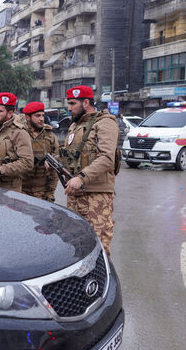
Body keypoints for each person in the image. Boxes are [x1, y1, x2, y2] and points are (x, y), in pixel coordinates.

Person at [59, 85, 119, 255]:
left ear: (86, 102)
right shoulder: (74, 127)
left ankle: (102, 282)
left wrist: (81, 178)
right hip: (75, 197)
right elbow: (71, 157)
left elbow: (107, 158)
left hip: (96, 197)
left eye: (72, 103)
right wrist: (56, 161)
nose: (69, 108)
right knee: (75, 247)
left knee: (99, 249)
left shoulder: (105, 123)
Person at [20, 101, 59, 203]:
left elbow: (55, 169)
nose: (42, 119)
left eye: (42, 115)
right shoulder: (19, 133)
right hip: (20, 191)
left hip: (41, 192)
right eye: (37, 116)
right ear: (28, 117)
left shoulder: (50, 136)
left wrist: (50, 192)